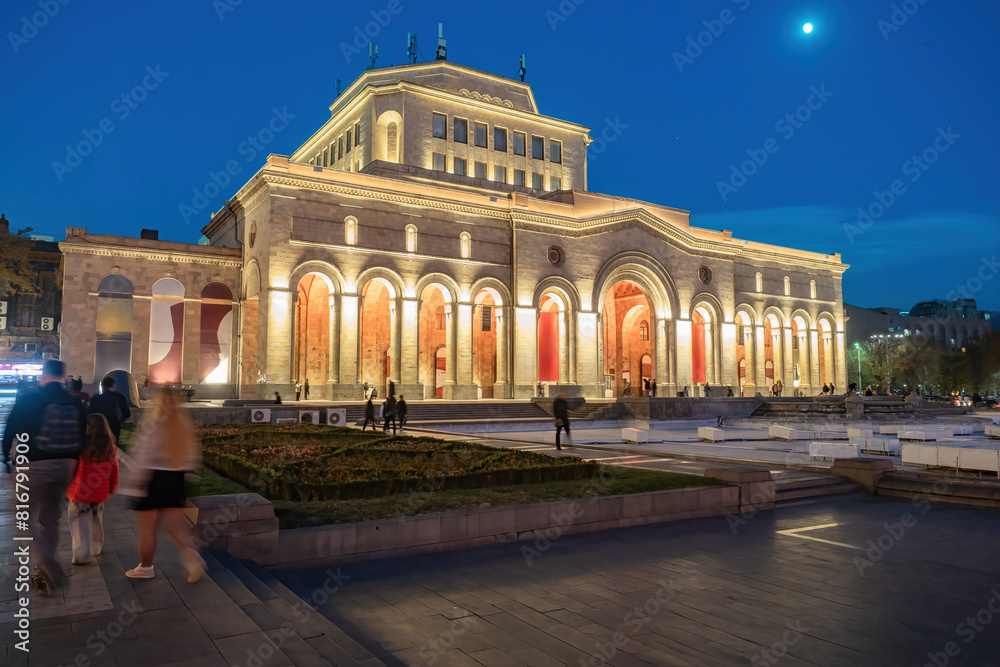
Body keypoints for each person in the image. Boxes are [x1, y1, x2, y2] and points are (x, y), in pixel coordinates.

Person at [1, 360, 86, 596]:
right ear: (63, 376)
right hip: (64, 466)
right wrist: (73, 464)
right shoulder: (73, 402)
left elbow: (10, 431)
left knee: (23, 517)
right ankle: (45, 566)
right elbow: (83, 436)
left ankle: (47, 560)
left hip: (33, 465)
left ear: (44, 374)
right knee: (51, 518)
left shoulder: (30, 398)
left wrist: (8, 462)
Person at [120, 389, 204, 583]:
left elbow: (142, 457)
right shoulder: (184, 428)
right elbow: (193, 458)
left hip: (153, 479)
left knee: (147, 529)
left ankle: (146, 567)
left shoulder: (153, 426)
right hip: (176, 480)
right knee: (175, 527)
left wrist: (134, 486)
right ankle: (193, 559)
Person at [67, 414, 119, 565]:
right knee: (96, 520)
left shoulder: (81, 448)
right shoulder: (111, 448)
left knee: (78, 523)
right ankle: (95, 547)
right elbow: (114, 470)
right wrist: (112, 487)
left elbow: (72, 469)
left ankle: (81, 554)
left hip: (80, 494)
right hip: (99, 493)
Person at [89, 375, 132, 445]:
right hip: (114, 426)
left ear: (102, 386)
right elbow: (127, 413)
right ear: (113, 385)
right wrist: (119, 421)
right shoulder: (119, 397)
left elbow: (90, 412)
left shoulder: (96, 398)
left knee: (98, 446)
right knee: (113, 446)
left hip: (98, 426)